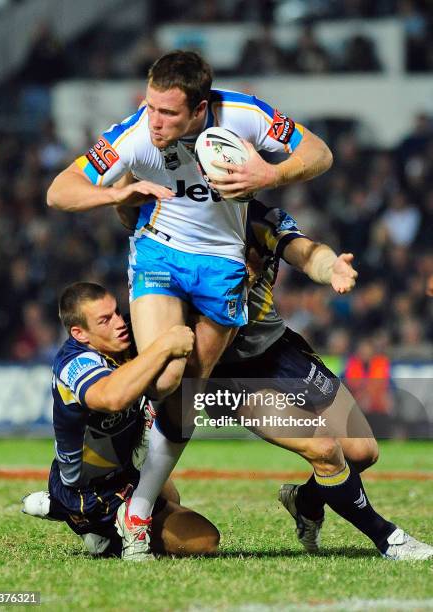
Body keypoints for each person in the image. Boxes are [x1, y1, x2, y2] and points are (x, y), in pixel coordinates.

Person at [46, 50, 333, 560]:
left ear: (200, 110)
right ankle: (94, 481)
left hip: (222, 265)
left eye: (168, 113)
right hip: (160, 251)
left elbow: (319, 153)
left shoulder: (245, 115)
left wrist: (268, 177)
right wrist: (118, 194)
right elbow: (59, 191)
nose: (154, 121)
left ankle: (136, 505)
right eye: (150, 106)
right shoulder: (133, 135)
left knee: (187, 395)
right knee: (162, 379)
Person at [211, 199, 433, 560]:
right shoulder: (186, 229)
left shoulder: (261, 216)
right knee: (325, 450)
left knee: (362, 451)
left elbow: (303, 251)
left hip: (280, 351)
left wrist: (331, 268)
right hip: (230, 372)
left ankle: (305, 500)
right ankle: (388, 539)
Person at [21, 282, 219, 560]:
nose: (119, 323)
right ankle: (91, 526)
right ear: (80, 333)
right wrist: (163, 345)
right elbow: (112, 397)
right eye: (105, 320)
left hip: (123, 468)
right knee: (205, 541)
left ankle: (79, 518)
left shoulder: (122, 339)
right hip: (87, 491)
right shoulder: (74, 364)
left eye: (116, 312)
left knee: (171, 496)